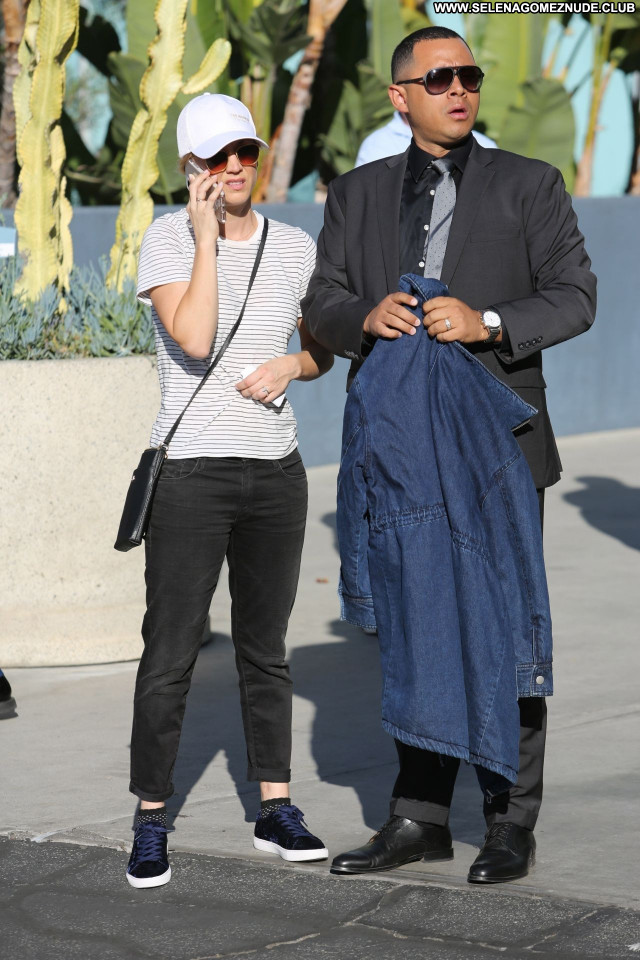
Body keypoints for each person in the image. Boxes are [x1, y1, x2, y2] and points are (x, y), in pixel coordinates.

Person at [302, 27, 596, 884]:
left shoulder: (529, 184)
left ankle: (510, 820)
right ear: (401, 97)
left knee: (506, 623)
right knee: (415, 622)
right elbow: (321, 297)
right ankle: (420, 817)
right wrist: (363, 316)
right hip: (398, 445)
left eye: (468, 74)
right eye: (439, 78)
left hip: (496, 440)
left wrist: (487, 322)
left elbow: (575, 295)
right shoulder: (356, 194)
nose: (459, 88)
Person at [126, 93, 333, 889]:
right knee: (170, 652)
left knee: (265, 650)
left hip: (276, 473)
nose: (236, 167)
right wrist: (207, 237)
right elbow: (194, 336)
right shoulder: (165, 241)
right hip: (192, 477)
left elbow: (321, 352)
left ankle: (275, 808)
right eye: (217, 158)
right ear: (191, 169)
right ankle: (151, 817)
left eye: (245, 152)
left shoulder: (295, 247)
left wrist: (291, 365)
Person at [355, 110, 496, 167]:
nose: (456, 91)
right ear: (400, 97)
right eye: (435, 80)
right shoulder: (377, 146)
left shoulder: (484, 145)